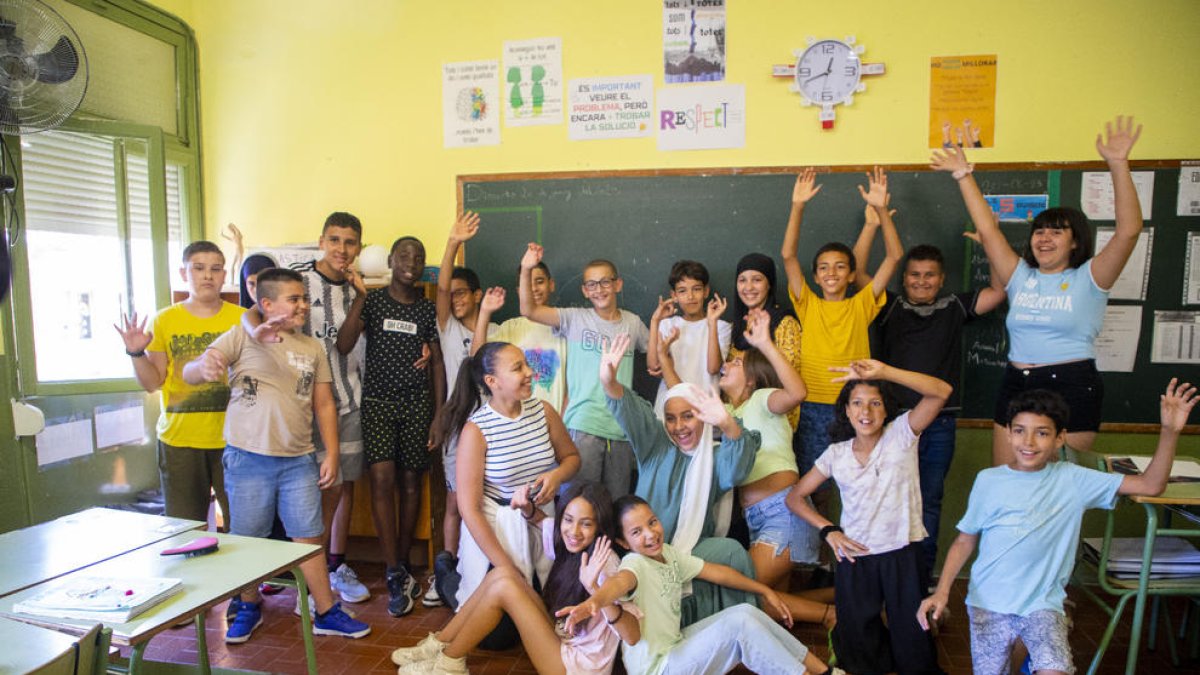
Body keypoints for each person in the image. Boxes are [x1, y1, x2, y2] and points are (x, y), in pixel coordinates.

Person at [918, 379, 1198, 675]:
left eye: (1041, 433)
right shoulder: (989, 480)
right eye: (1019, 431)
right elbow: (964, 540)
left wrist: (1170, 431)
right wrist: (942, 592)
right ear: (1009, 434)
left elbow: (1150, 485)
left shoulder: (1073, 479)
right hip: (989, 603)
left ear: (1060, 438)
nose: (1028, 443)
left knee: (1055, 670)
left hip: (1043, 604)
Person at [931, 115, 1144, 462]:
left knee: (1059, 487)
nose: (1045, 238)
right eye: (1040, 231)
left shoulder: (1091, 277)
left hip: (1071, 383)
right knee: (1007, 478)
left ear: (1075, 242)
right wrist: (962, 174)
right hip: (1017, 380)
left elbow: (1129, 232)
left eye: (1056, 232)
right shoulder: (1020, 275)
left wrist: (1118, 164)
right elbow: (988, 229)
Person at [182, 267, 370, 643]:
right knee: (250, 539)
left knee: (308, 536)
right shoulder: (242, 335)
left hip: (298, 460)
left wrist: (330, 453)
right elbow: (191, 371)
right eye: (294, 299)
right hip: (248, 459)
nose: (303, 305)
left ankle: (326, 611)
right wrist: (204, 366)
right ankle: (248, 607)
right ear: (266, 304)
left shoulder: (312, 347)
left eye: (304, 298)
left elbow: (324, 405)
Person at [854, 240, 1006, 586]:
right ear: (904, 278)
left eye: (929, 276)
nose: (921, 281)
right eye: (914, 275)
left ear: (941, 279)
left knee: (928, 502)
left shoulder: (955, 306)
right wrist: (873, 224)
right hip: (891, 424)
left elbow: (998, 291)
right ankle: (886, 577)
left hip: (939, 423)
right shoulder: (890, 305)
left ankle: (919, 581)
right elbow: (859, 276)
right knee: (885, 498)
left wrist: (989, 247)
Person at [787, 359, 952, 675]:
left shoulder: (902, 433)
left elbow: (941, 391)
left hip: (901, 552)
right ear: (847, 411)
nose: (866, 411)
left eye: (875, 403)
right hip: (855, 555)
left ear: (886, 410)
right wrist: (829, 531)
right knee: (857, 638)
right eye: (858, 403)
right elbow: (795, 497)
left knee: (912, 636)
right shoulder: (836, 454)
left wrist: (886, 372)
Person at [561, 495, 841, 675]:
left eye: (652, 522)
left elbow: (716, 572)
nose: (650, 534)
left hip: (674, 647)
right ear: (624, 543)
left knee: (744, 612)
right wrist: (593, 601)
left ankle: (823, 672)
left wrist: (763, 590)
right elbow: (619, 584)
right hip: (657, 669)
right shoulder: (635, 564)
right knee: (739, 627)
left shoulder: (667, 554)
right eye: (637, 532)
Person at [781, 167, 903, 564]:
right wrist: (797, 206)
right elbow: (787, 255)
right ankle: (815, 555)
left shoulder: (862, 303)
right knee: (813, 485)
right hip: (814, 407)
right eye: (823, 268)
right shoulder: (807, 303)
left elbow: (895, 256)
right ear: (815, 276)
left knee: (856, 482)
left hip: (855, 410)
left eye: (839, 267)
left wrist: (881, 211)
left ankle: (855, 552)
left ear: (851, 275)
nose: (831, 273)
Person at [390, 482, 640, 675]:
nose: (573, 531)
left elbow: (631, 633)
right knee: (504, 573)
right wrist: (528, 508)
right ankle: (438, 644)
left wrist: (595, 588)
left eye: (586, 524)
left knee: (506, 588)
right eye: (568, 519)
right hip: (562, 638)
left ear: (600, 527)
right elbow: (544, 522)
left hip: (576, 667)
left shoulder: (605, 564)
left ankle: (449, 663)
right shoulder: (571, 542)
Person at [336, 235, 446, 617]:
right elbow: (344, 344)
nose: (411, 262)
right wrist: (362, 298)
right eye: (404, 255)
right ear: (390, 261)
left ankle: (401, 566)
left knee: (411, 482)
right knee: (381, 479)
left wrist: (438, 414)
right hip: (378, 405)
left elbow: (436, 364)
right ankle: (392, 569)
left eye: (418, 256)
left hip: (417, 405)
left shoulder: (427, 309)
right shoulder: (376, 301)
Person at [437, 341, 580, 619]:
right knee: (498, 631)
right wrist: (506, 569)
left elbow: (572, 459)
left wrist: (555, 475)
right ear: (493, 381)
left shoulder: (544, 411)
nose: (529, 372)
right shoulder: (476, 430)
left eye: (526, 364)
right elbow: (470, 509)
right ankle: (446, 573)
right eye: (518, 368)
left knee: (545, 611)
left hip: (539, 520)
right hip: (497, 527)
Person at [114, 241, 244, 525]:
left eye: (215, 269)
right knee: (185, 528)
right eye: (199, 268)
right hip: (179, 440)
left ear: (225, 275)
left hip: (235, 440)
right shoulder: (164, 320)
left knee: (244, 526)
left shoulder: (242, 318)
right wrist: (136, 352)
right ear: (184, 274)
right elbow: (153, 382)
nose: (207, 275)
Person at [518, 243, 649, 500]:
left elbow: (654, 361)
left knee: (615, 507)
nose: (598, 289)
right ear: (584, 291)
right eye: (591, 284)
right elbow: (529, 310)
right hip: (582, 427)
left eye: (605, 282)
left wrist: (658, 325)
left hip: (622, 430)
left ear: (618, 284)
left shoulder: (633, 323)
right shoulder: (574, 319)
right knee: (578, 505)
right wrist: (526, 268)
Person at [430, 211, 498, 608]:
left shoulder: (498, 331)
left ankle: (481, 568)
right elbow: (439, 290)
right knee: (455, 502)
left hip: (491, 427)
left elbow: (480, 362)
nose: (453, 299)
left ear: (477, 294)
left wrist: (487, 316)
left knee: (484, 500)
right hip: (459, 425)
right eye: (450, 294)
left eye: (461, 293)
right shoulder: (448, 327)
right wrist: (453, 242)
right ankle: (448, 571)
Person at [727, 253, 803, 429]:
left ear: (769, 284)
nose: (749, 287)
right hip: (740, 419)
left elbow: (790, 377)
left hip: (772, 419)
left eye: (757, 280)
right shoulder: (738, 326)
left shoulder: (785, 323)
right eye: (742, 280)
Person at [645, 259, 731, 415]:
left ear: (706, 291)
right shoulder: (667, 325)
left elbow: (713, 368)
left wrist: (712, 324)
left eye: (696, 289)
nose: (690, 296)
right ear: (674, 295)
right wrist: (655, 321)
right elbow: (653, 366)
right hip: (668, 408)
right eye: (682, 291)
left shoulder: (721, 326)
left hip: (705, 411)